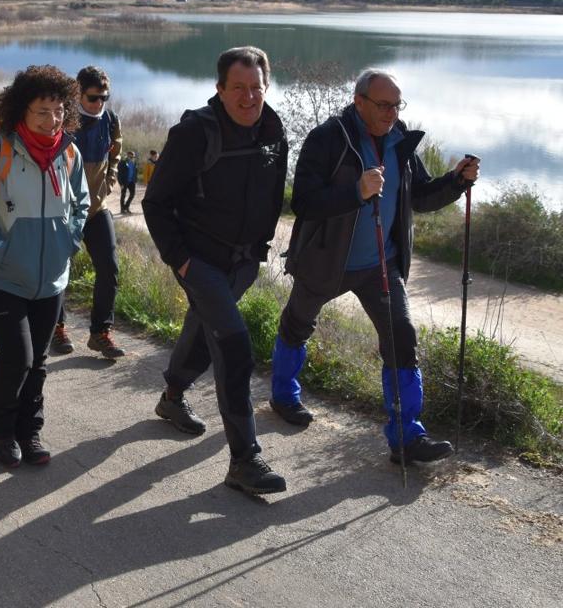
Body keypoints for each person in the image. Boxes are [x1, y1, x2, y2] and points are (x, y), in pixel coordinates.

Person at [273, 69, 479, 466]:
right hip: (326, 260)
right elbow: (304, 202)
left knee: (402, 337)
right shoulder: (328, 138)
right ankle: (284, 394)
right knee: (297, 324)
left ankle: (406, 436)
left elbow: (418, 197)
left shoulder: (400, 141)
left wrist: (456, 182)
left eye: (396, 104)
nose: (391, 112)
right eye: (383, 104)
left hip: (380, 265)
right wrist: (356, 191)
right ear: (359, 102)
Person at [142, 46, 289, 496]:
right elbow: (156, 202)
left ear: (266, 88)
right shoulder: (194, 134)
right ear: (220, 89)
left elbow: (276, 188)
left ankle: (171, 397)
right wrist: (180, 259)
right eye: (239, 88)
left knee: (205, 328)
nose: (248, 97)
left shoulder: (272, 127)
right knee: (234, 344)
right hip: (199, 259)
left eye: (256, 88)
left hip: (243, 261)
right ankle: (245, 461)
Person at [0, 65, 89, 468]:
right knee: (17, 358)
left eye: (58, 111)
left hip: (50, 281)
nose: (52, 121)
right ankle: (2, 430)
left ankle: (30, 432)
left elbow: (81, 204)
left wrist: (70, 239)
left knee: (39, 362)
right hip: (1, 279)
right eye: (41, 112)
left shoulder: (69, 152)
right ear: (21, 112)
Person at [51, 66, 125, 359]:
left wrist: (109, 181)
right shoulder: (63, 120)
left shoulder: (110, 119)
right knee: (58, 270)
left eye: (104, 97)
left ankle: (100, 333)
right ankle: (56, 328)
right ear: (78, 93)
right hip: (63, 211)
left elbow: (116, 150)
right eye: (93, 98)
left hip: (97, 209)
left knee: (110, 268)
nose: (99, 103)